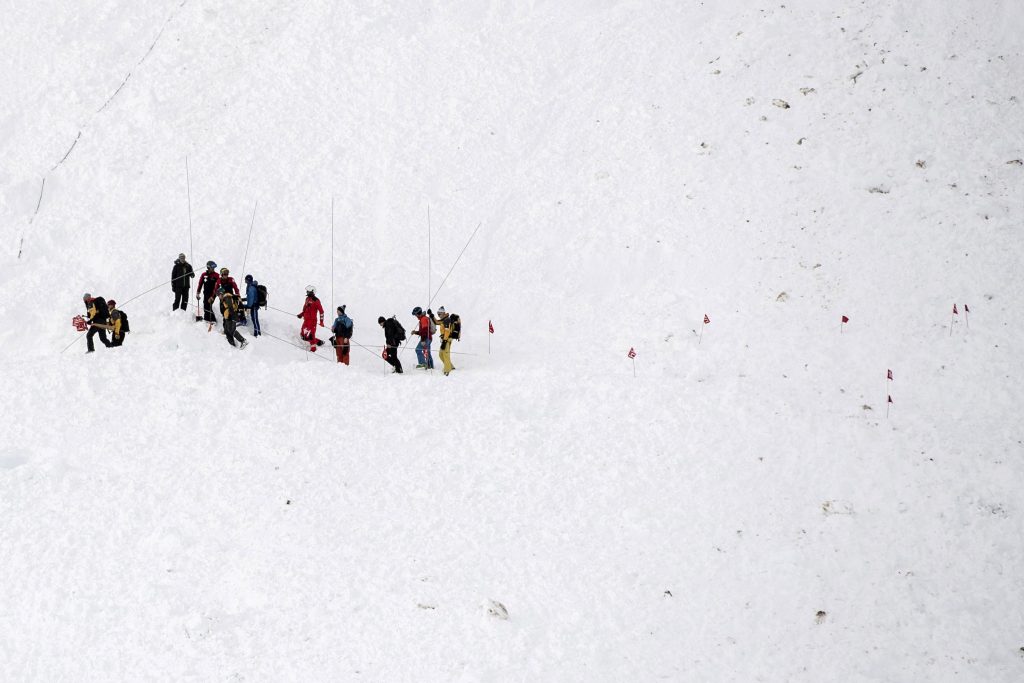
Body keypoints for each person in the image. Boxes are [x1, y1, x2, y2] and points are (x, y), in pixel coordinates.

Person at [297, 286, 325, 351]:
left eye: (308, 291)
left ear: (312, 292)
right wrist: (301, 314)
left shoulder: (316, 301)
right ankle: (319, 342)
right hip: (306, 320)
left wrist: (321, 321)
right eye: (307, 291)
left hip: (312, 321)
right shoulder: (307, 299)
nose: (307, 292)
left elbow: (321, 312)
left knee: (311, 336)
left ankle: (313, 350)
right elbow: (305, 309)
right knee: (303, 335)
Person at [428, 306, 455, 376]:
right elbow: (437, 322)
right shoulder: (444, 319)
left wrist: (444, 342)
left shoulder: (447, 320)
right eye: (438, 314)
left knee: (445, 354)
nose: (438, 315)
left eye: (439, 314)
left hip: (447, 339)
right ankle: (450, 366)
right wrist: (431, 315)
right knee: (441, 354)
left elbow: (447, 331)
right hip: (445, 339)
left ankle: (447, 370)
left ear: (443, 313)